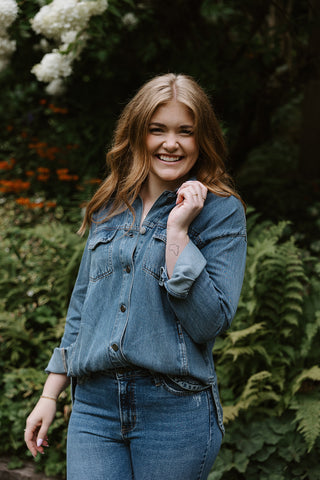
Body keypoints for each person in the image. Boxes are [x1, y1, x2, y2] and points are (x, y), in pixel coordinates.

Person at [25, 73, 247, 480]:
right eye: (157, 130)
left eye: (186, 131)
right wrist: (49, 395)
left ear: (203, 139)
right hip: (94, 408)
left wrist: (177, 233)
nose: (171, 143)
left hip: (174, 412)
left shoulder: (220, 211)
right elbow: (82, 309)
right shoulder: (110, 206)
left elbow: (209, 323)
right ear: (136, 134)